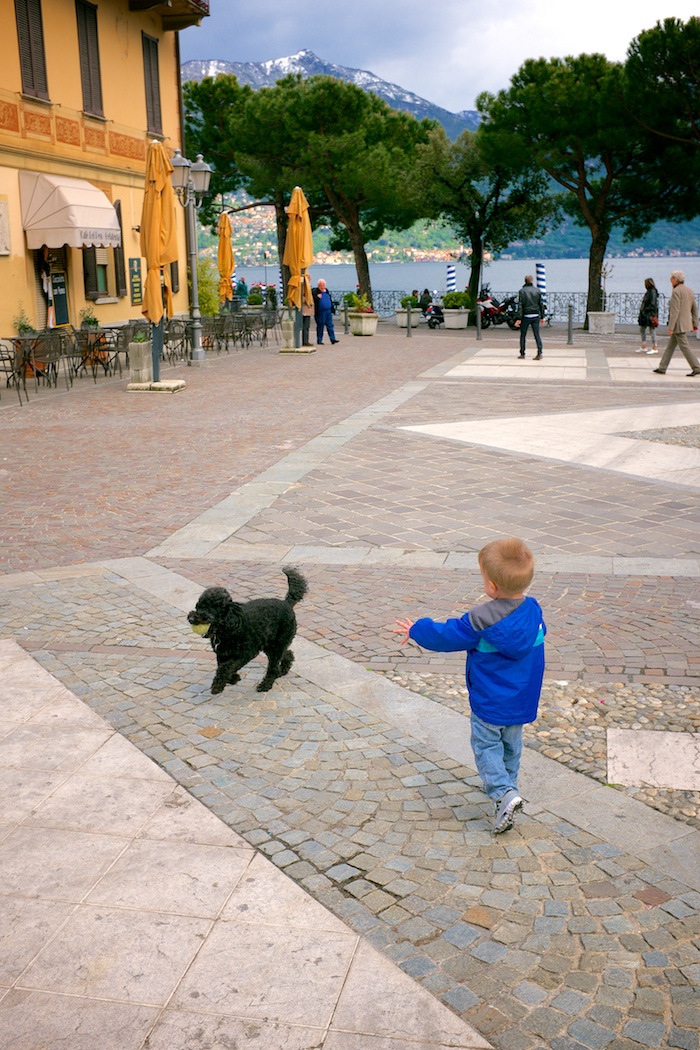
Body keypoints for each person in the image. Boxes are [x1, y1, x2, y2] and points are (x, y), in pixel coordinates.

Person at [394, 537, 546, 835]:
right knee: (511, 745)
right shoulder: (534, 612)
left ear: (491, 586)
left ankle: (502, 793)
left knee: (486, 744)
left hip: (490, 702)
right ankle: (509, 788)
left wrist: (416, 628)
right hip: (522, 700)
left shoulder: (481, 621)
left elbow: (446, 636)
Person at [653, 271, 700, 377]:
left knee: (685, 346)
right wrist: (695, 323)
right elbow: (695, 308)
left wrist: (671, 327)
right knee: (670, 346)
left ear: (676, 279)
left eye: (671, 278)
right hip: (685, 323)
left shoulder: (676, 292)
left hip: (678, 325)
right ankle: (662, 367)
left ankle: (696, 367)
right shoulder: (689, 290)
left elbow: (675, 312)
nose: (670, 280)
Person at [515, 275, 545, 360]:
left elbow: (520, 305)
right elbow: (540, 304)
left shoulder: (522, 291)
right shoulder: (537, 291)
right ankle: (539, 352)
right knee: (537, 335)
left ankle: (522, 353)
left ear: (525, 281)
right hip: (535, 315)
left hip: (526, 315)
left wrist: (519, 318)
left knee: (523, 335)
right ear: (532, 281)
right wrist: (542, 316)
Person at [312, 279, 339, 345]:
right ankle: (319, 340)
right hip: (320, 312)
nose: (323, 287)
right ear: (318, 285)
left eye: (323, 285)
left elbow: (329, 299)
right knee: (320, 326)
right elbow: (313, 300)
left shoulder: (326, 291)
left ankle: (332, 339)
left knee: (330, 325)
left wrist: (332, 309)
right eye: (321, 285)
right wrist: (317, 297)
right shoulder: (315, 291)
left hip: (328, 311)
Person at [636, 277, 659, 354]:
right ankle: (644, 346)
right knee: (643, 329)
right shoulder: (651, 292)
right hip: (647, 314)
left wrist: (646, 310)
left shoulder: (651, 292)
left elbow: (652, 304)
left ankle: (654, 347)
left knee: (651, 330)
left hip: (649, 314)